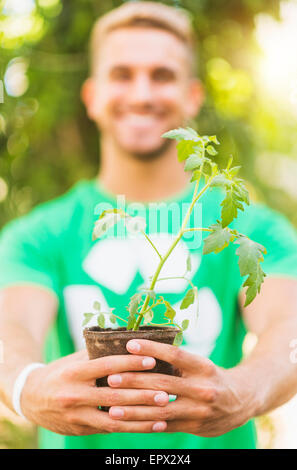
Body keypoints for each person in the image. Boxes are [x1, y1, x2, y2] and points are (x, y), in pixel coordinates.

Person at [0, 1, 297, 450]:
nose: (142, 94)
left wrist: (246, 390)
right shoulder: (40, 234)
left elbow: (287, 324)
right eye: (122, 74)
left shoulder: (255, 231)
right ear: (92, 96)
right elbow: (11, 329)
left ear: (192, 96)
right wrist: (28, 386)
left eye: (162, 75)